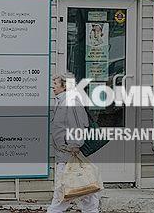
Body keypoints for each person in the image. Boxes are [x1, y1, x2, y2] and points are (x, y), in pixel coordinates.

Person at [49, 72, 100, 213]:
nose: (53, 87)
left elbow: (78, 125)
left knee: (66, 188)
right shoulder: (62, 101)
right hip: (65, 152)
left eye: (55, 84)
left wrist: (74, 145)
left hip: (69, 153)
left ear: (65, 86)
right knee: (81, 186)